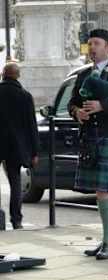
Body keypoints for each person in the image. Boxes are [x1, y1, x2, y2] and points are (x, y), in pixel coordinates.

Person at [67, 29, 108, 260]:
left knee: (104, 191)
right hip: (90, 136)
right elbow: (71, 103)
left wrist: (102, 106)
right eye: (89, 44)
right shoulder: (84, 74)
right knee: (102, 192)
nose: (92, 48)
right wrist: (77, 112)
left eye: (96, 43)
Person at [0, 62, 39, 229]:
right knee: (15, 182)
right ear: (18, 76)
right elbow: (32, 126)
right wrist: (34, 152)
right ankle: (16, 219)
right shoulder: (25, 96)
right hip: (16, 146)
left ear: (3, 74)